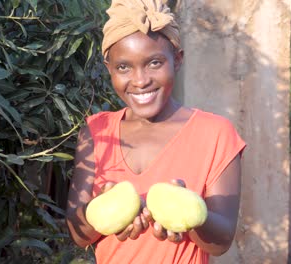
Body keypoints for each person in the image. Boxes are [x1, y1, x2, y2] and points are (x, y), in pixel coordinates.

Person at [65, 0, 246, 263]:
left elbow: (221, 242)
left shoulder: (216, 134)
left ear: (178, 60)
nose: (140, 81)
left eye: (154, 63)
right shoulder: (96, 131)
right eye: (123, 67)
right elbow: (77, 234)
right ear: (109, 69)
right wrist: (103, 213)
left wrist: (190, 216)